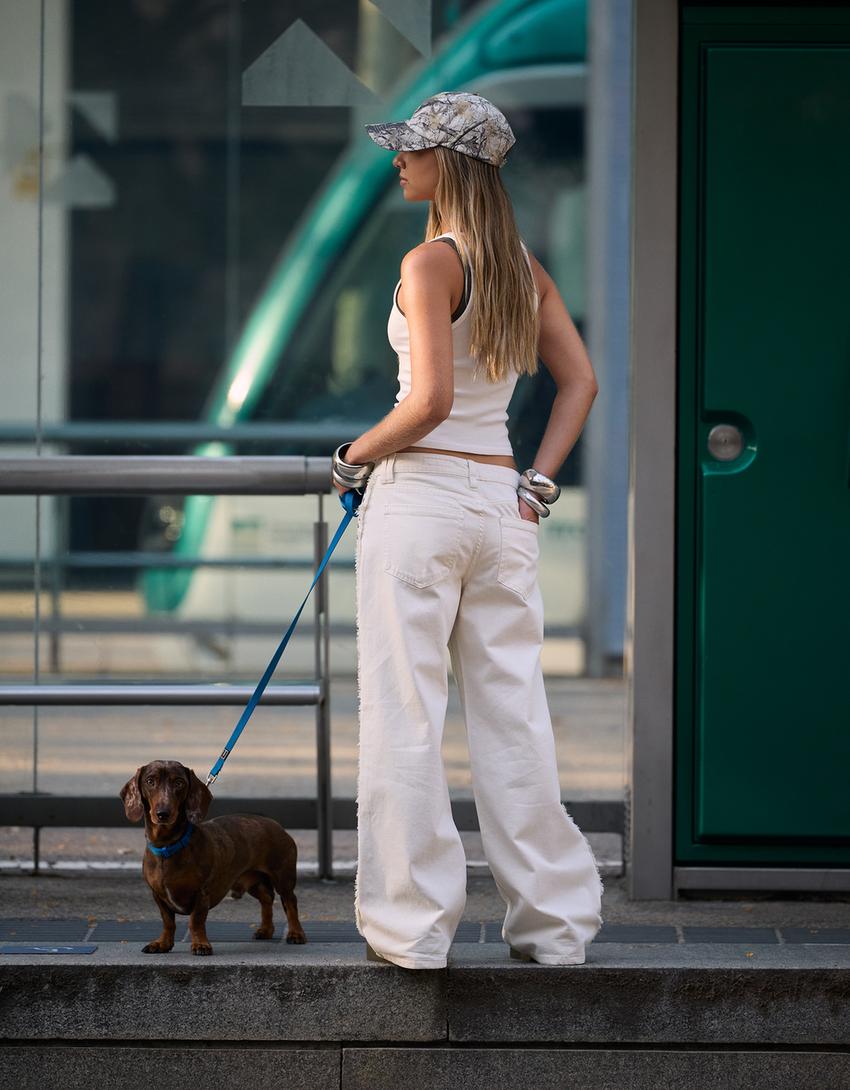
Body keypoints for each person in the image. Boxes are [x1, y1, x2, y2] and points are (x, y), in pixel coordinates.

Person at [331, 91, 603, 970]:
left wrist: (350, 456)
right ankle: (554, 927)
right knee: (514, 717)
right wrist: (540, 483)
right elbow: (581, 384)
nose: (397, 161)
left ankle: (412, 933)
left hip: (421, 504)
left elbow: (427, 404)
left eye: (410, 150)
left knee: (407, 719)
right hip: (502, 504)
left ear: (448, 163)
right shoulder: (525, 267)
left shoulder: (427, 263)